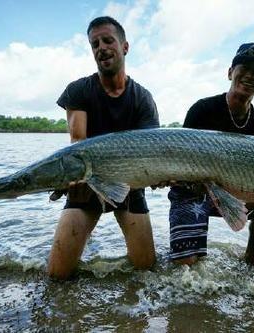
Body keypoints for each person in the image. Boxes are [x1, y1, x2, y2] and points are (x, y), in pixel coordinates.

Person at [48, 16, 159, 279]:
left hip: (130, 184)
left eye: (108, 40)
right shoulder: (78, 90)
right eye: (94, 44)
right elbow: (78, 144)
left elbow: (152, 151)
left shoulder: (142, 98)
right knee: (57, 273)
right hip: (86, 182)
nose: (101, 48)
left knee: (146, 269)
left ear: (125, 47)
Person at [168, 42, 254, 266]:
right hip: (194, 190)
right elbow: (181, 162)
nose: (250, 76)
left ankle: (250, 260)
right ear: (230, 72)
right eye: (245, 68)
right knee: (186, 269)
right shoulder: (202, 110)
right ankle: (189, 251)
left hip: (235, 192)